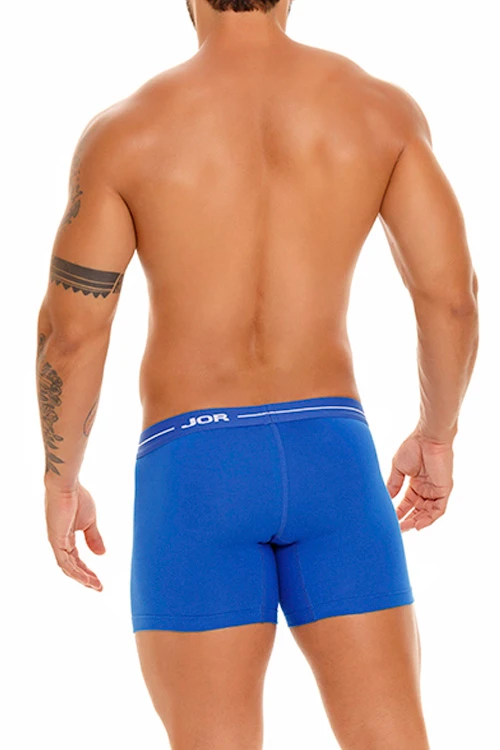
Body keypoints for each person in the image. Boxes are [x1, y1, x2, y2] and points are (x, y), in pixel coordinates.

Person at [36, 0, 479, 748]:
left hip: (197, 466)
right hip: (333, 456)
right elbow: (451, 298)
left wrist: (61, 479)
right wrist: (437, 435)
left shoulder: (126, 132)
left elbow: (72, 336)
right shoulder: (381, 112)